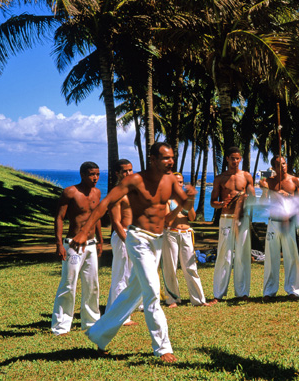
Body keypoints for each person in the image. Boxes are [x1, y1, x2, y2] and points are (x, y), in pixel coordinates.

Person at [72, 143, 196, 362]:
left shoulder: (169, 180)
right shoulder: (135, 180)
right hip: (138, 239)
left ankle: (98, 334)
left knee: (134, 292)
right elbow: (105, 203)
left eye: (172, 157)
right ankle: (163, 348)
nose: (171, 161)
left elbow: (184, 204)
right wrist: (84, 231)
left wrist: (190, 197)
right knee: (152, 290)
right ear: (152, 159)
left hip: (158, 241)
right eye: (165, 158)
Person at [51, 161, 103, 336]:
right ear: (82, 175)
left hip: (91, 244)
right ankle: (61, 326)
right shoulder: (70, 192)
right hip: (73, 244)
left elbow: (96, 217)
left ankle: (91, 322)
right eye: (91, 174)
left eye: (97, 174)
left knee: (92, 284)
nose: (95, 178)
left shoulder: (97, 192)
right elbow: (59, 217)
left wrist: (100, 240)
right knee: (68, 284)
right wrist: (59, 244)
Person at [160, 172, 213, 307]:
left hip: (186, 234)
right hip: (171, 234)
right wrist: (180, 206)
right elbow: (167, 219)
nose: (179, 184)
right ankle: (172, 299)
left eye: (181, 182)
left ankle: (199, 300)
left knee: (191, 267)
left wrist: (190, 201)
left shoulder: (185, 199)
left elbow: (192, 217)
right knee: (170, 267)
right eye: (176, 182)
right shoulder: (166, 200)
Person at [210, 147, 256, 302]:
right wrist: (222, 203)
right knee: (224, 255)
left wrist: (246, 196)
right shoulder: (220, 178)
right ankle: (218, 294)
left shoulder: (246, 176)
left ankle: (242, 293)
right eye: (232, 158)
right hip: (226, 217)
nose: (235, 161)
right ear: (227, 159)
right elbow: (213, 202)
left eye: (237, 158)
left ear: (240, 159)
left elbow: (253, 198)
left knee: (243, 254)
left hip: (242, 218)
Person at [260, 155, 299, 301]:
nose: (283, 167)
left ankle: (294, 290)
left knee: (291, 256)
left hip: (289, 222)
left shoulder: (295, 181)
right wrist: (264, 190)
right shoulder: (269, 181)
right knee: (271, 257)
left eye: (284, 163)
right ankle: (269, 291)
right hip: (273, 221)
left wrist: (288, 196)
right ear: (274, 167)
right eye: (279, 165)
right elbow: (262, 202)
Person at [106, 159, 139, 326]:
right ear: (117, 173)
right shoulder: (117, 193)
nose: (128, 173)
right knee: (121, 275)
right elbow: (116, 222)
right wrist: (127, 241)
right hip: (123, 236)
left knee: (133, 274)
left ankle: (122, 309)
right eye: (124, 171)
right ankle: (121, 316)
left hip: (135, 235)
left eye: (130, 170)